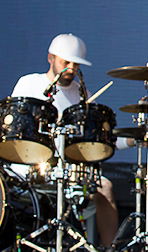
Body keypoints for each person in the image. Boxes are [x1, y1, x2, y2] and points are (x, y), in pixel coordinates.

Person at [11, 33, 130, 248]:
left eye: (76, 65)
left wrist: (132, 140)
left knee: (105, 187)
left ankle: (110, 248)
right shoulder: (29, 84)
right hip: (28, 168)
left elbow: (102, 141)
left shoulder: (83, 96)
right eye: (65, 62)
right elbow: (15, 130)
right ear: (51, 58)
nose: (71, 69)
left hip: (68, 174)